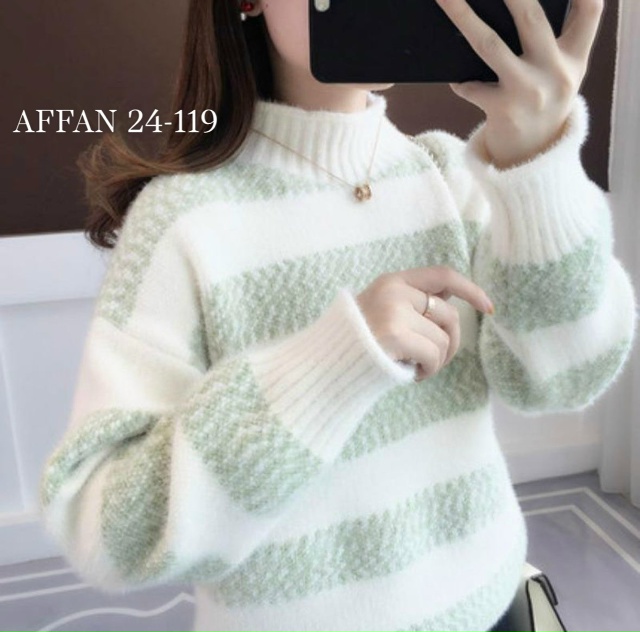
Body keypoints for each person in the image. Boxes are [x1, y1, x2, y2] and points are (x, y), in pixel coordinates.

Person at [39, 1, 636, 632]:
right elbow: (107, 534)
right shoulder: (183, 223)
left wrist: (538, 163)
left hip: (492, 609)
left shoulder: (446, 176)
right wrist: (334, 363)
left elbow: (565, 378)